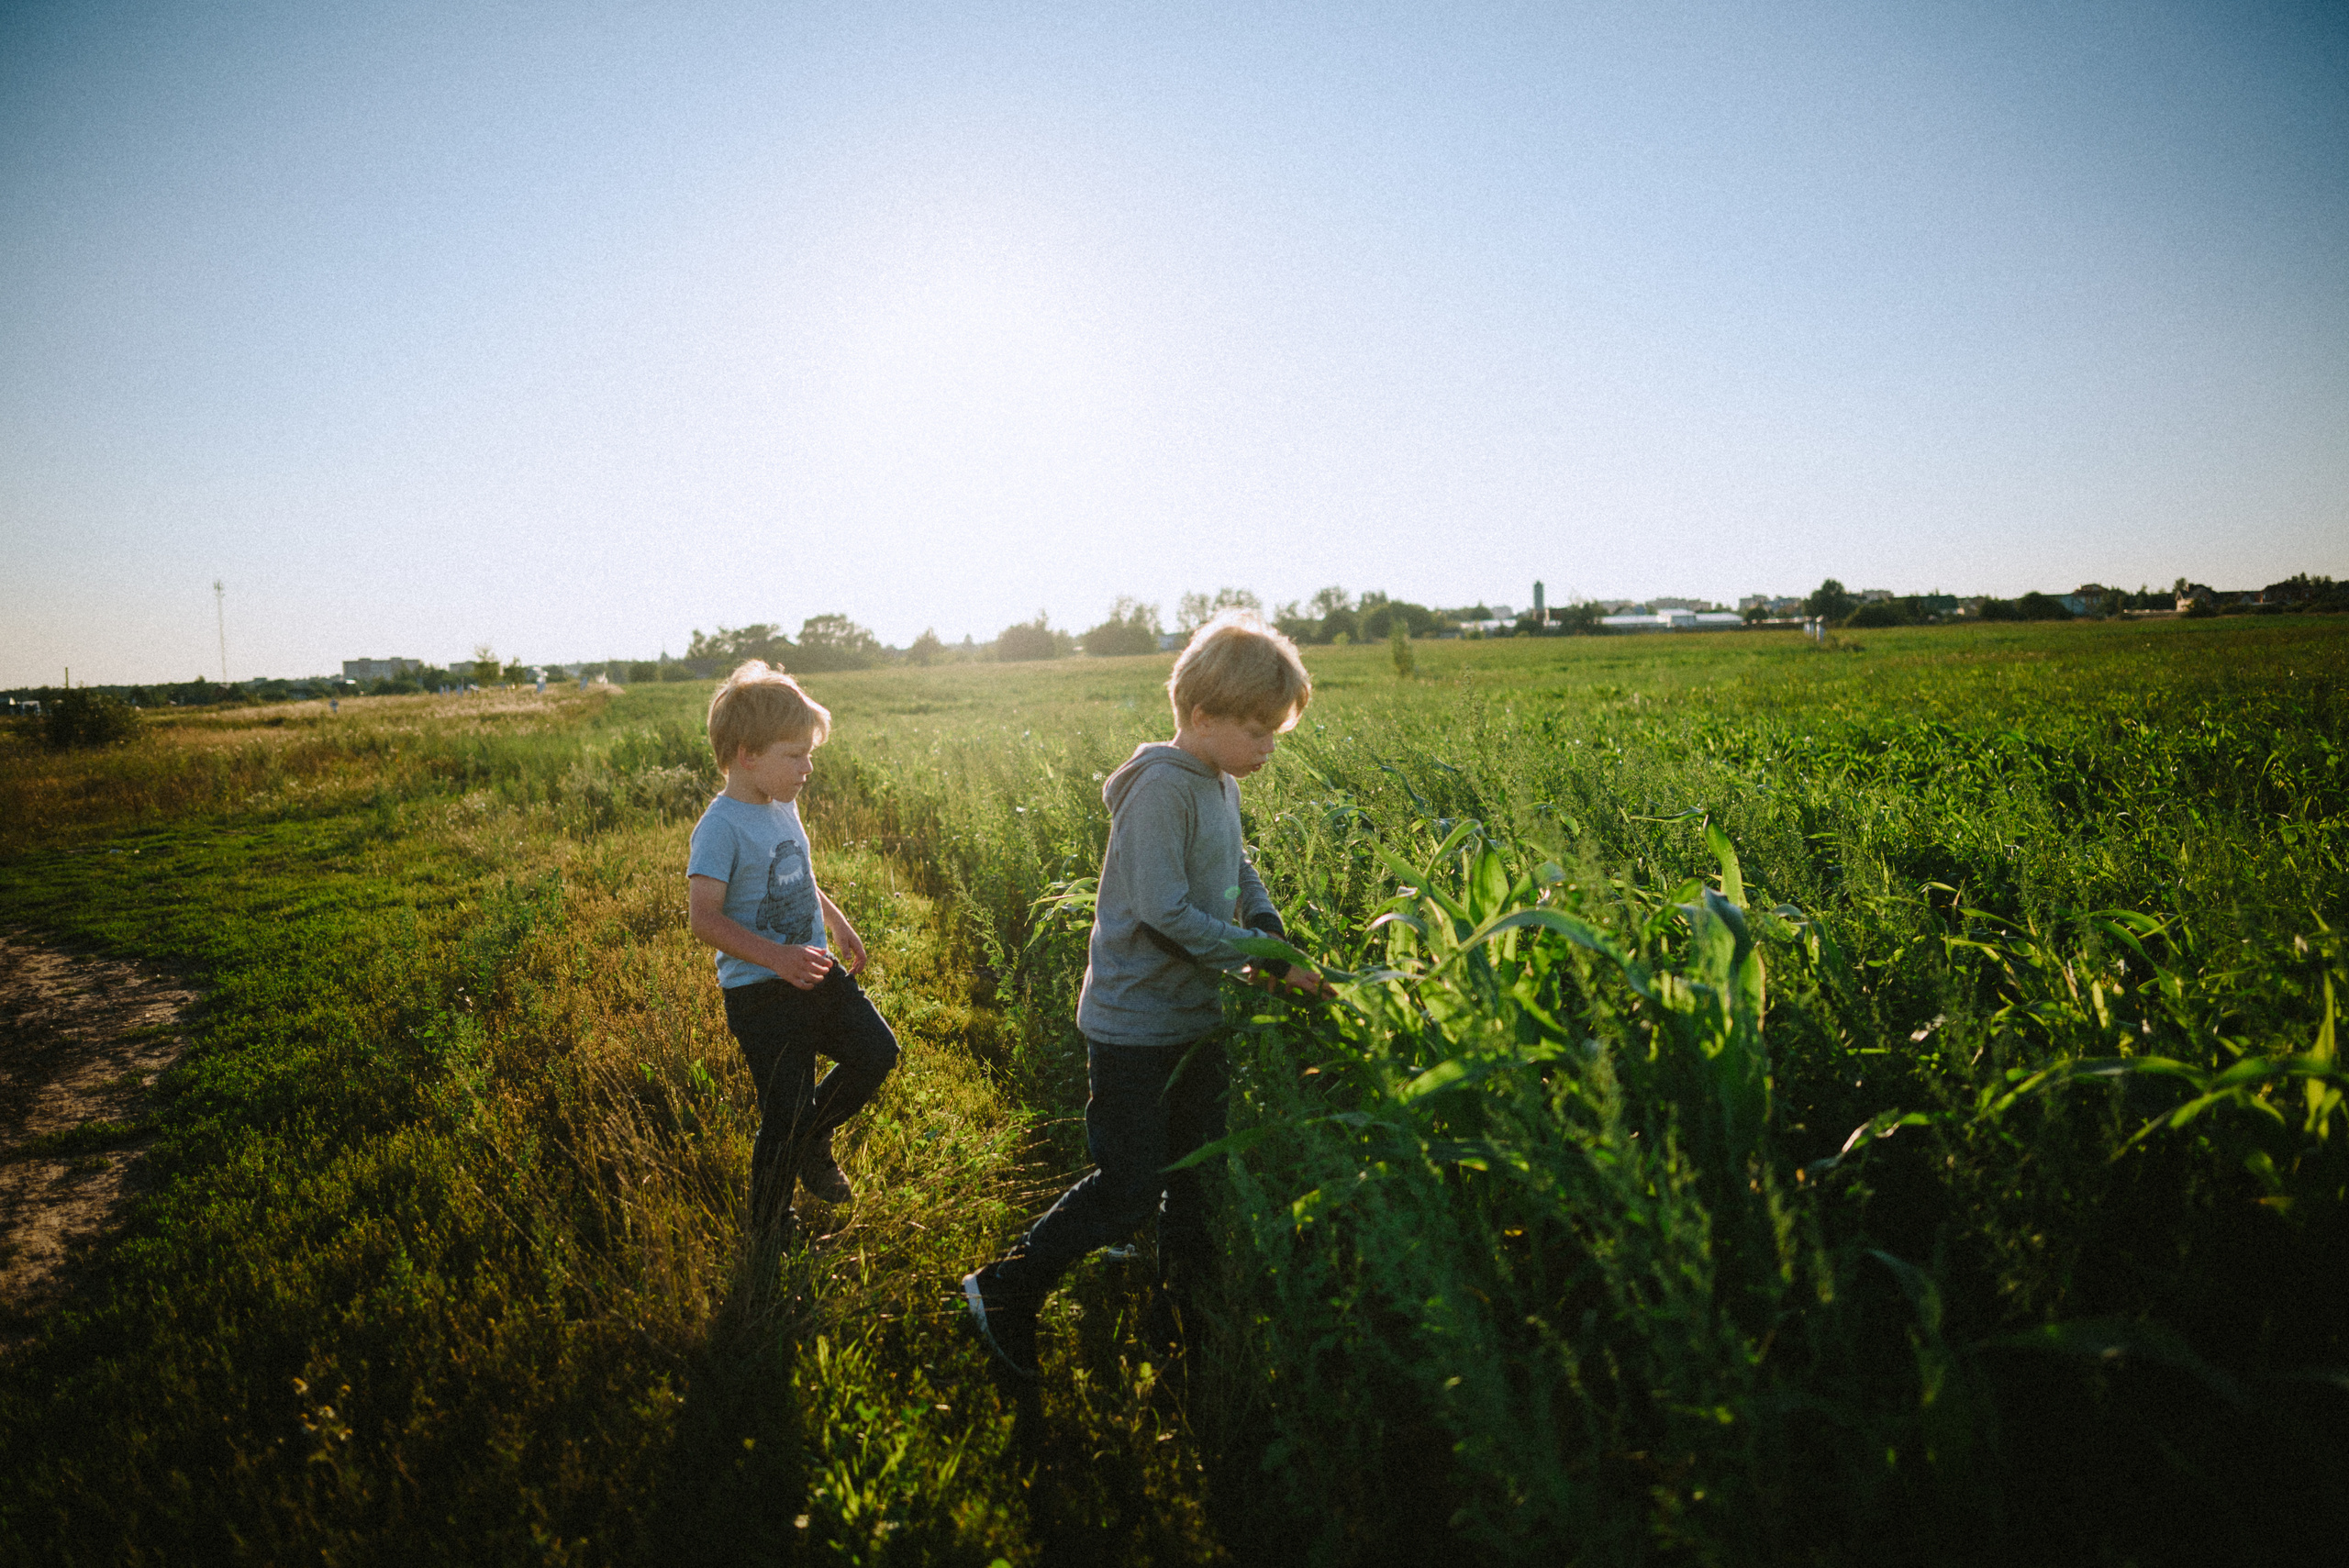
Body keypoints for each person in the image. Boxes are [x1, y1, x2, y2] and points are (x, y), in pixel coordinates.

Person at [962, 610, 1330, 1380]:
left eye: (1274, 733)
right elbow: (1163, 914)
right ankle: (1006, 1287)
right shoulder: (1162, 788)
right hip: (1134, 1025)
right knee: (1131, 1188)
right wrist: (1259, 957)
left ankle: (1184, 1319)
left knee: (1196, 1173)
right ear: (1203, 715)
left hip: (1193, 1019)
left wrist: (1263, 921)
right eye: (1259, 730)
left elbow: (1236, 862)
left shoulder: (1217, 780)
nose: (1268, 747)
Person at [687, 662, 898, 1248]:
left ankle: (814, 1136)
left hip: (815, 969)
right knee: (780, 1112)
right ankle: (769, 1227)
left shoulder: (782, 801)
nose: (808, 768)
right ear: (748, 754)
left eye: (810, 754)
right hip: (761, 993)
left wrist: (837, 921)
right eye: (796, 755)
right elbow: (703, 918)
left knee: (877, 1053)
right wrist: (775, 959)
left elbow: (799, 875)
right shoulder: (720, 827)